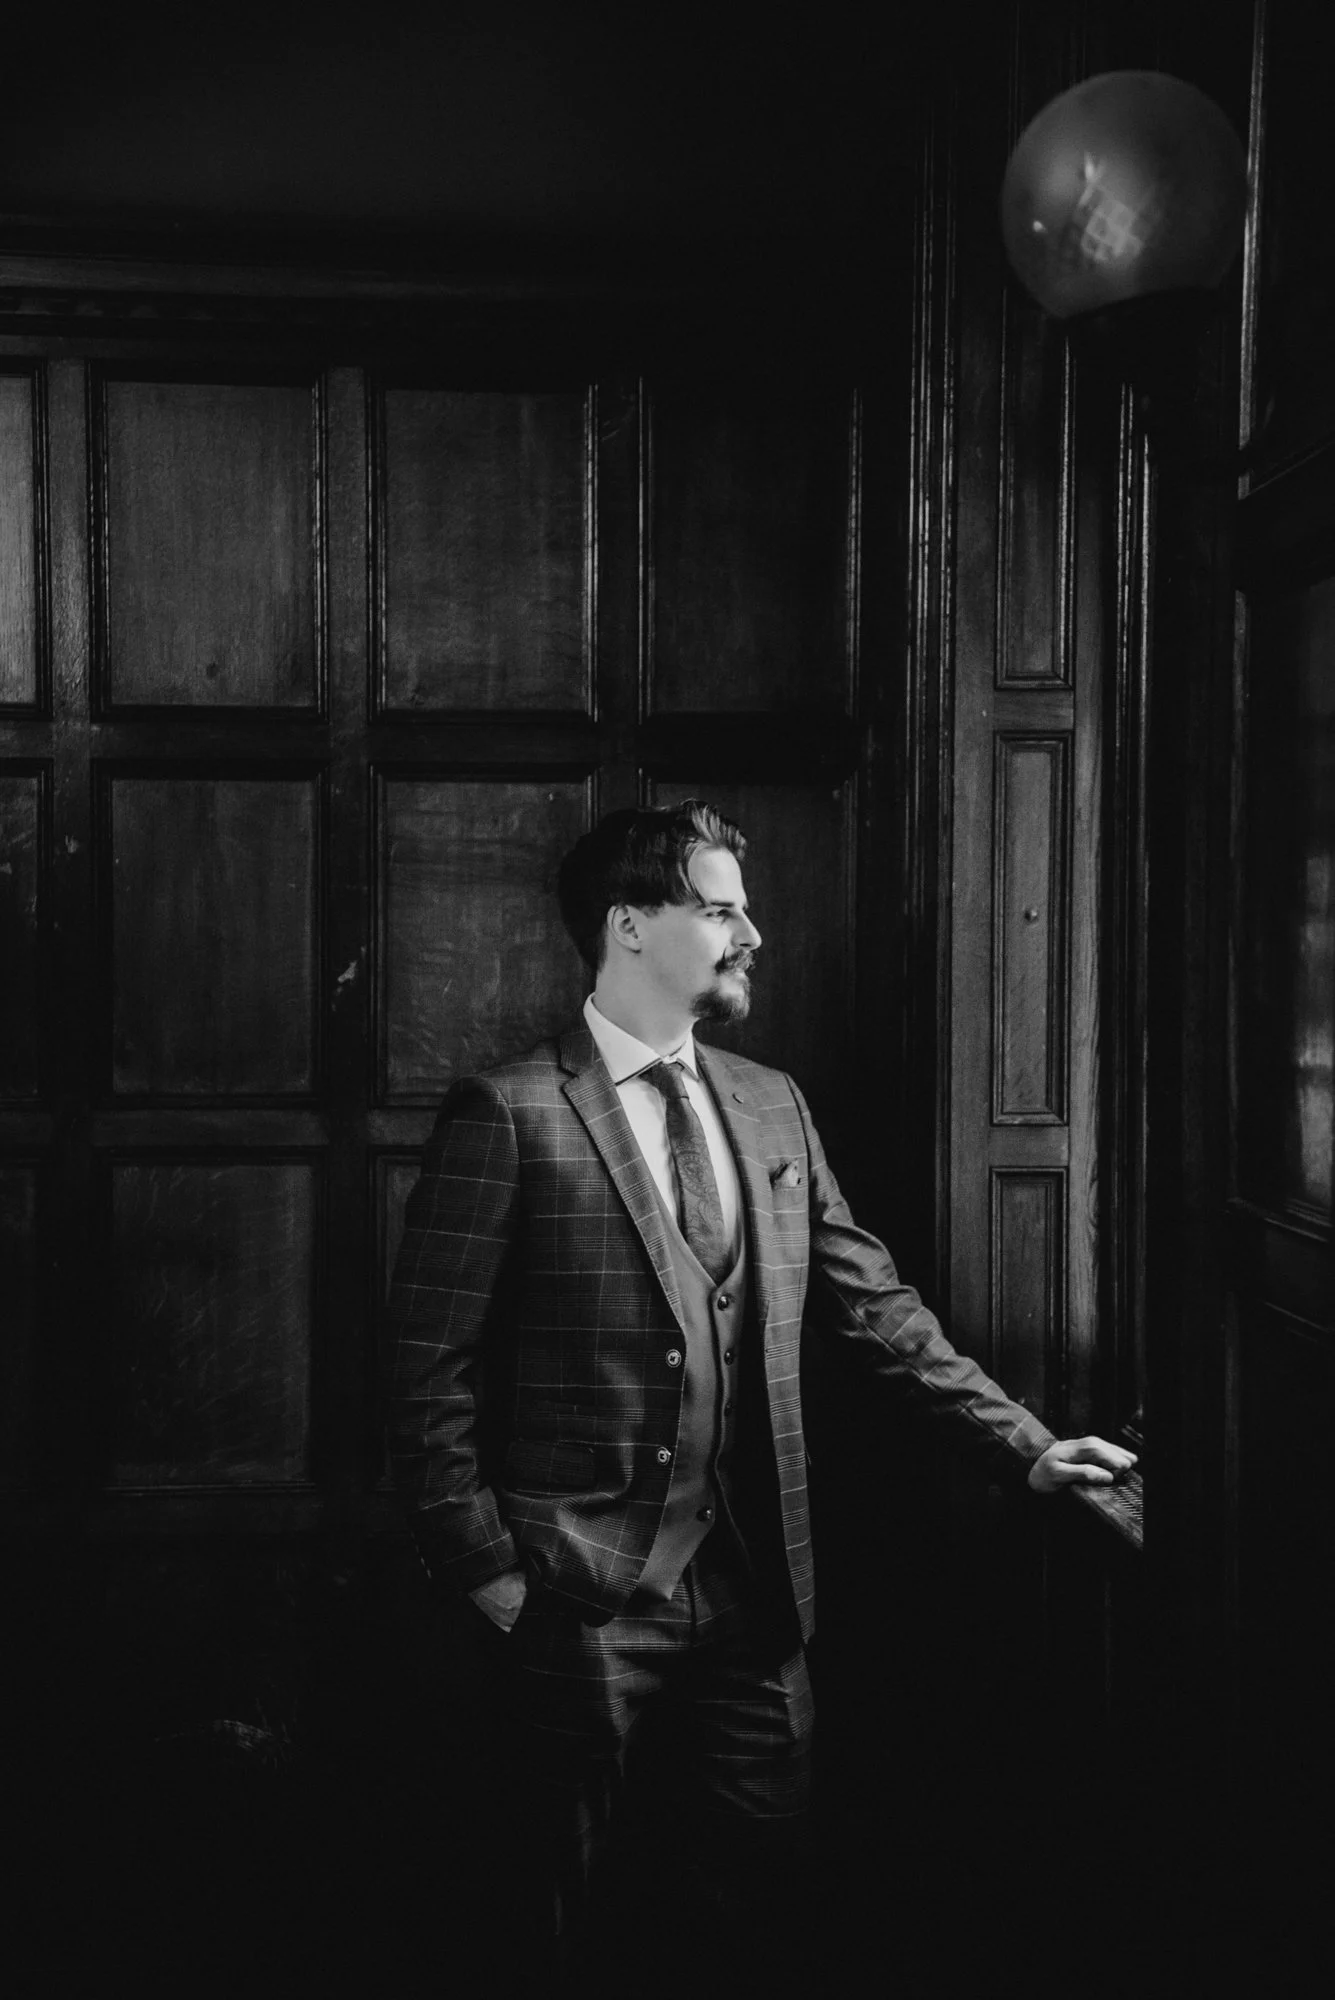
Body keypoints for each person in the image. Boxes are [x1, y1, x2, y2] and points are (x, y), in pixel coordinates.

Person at [382, 799, 1135, 1976]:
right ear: (629, 925)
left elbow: (874, 1309)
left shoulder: (769, 1100)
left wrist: (1025, 1446)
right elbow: (424, 1368)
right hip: (577, 1599)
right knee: (537, 1914)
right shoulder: (512, 1111)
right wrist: (486, 1570)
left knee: (758, 1911)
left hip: (758, 1597)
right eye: (721, 907)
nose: (753, 933)